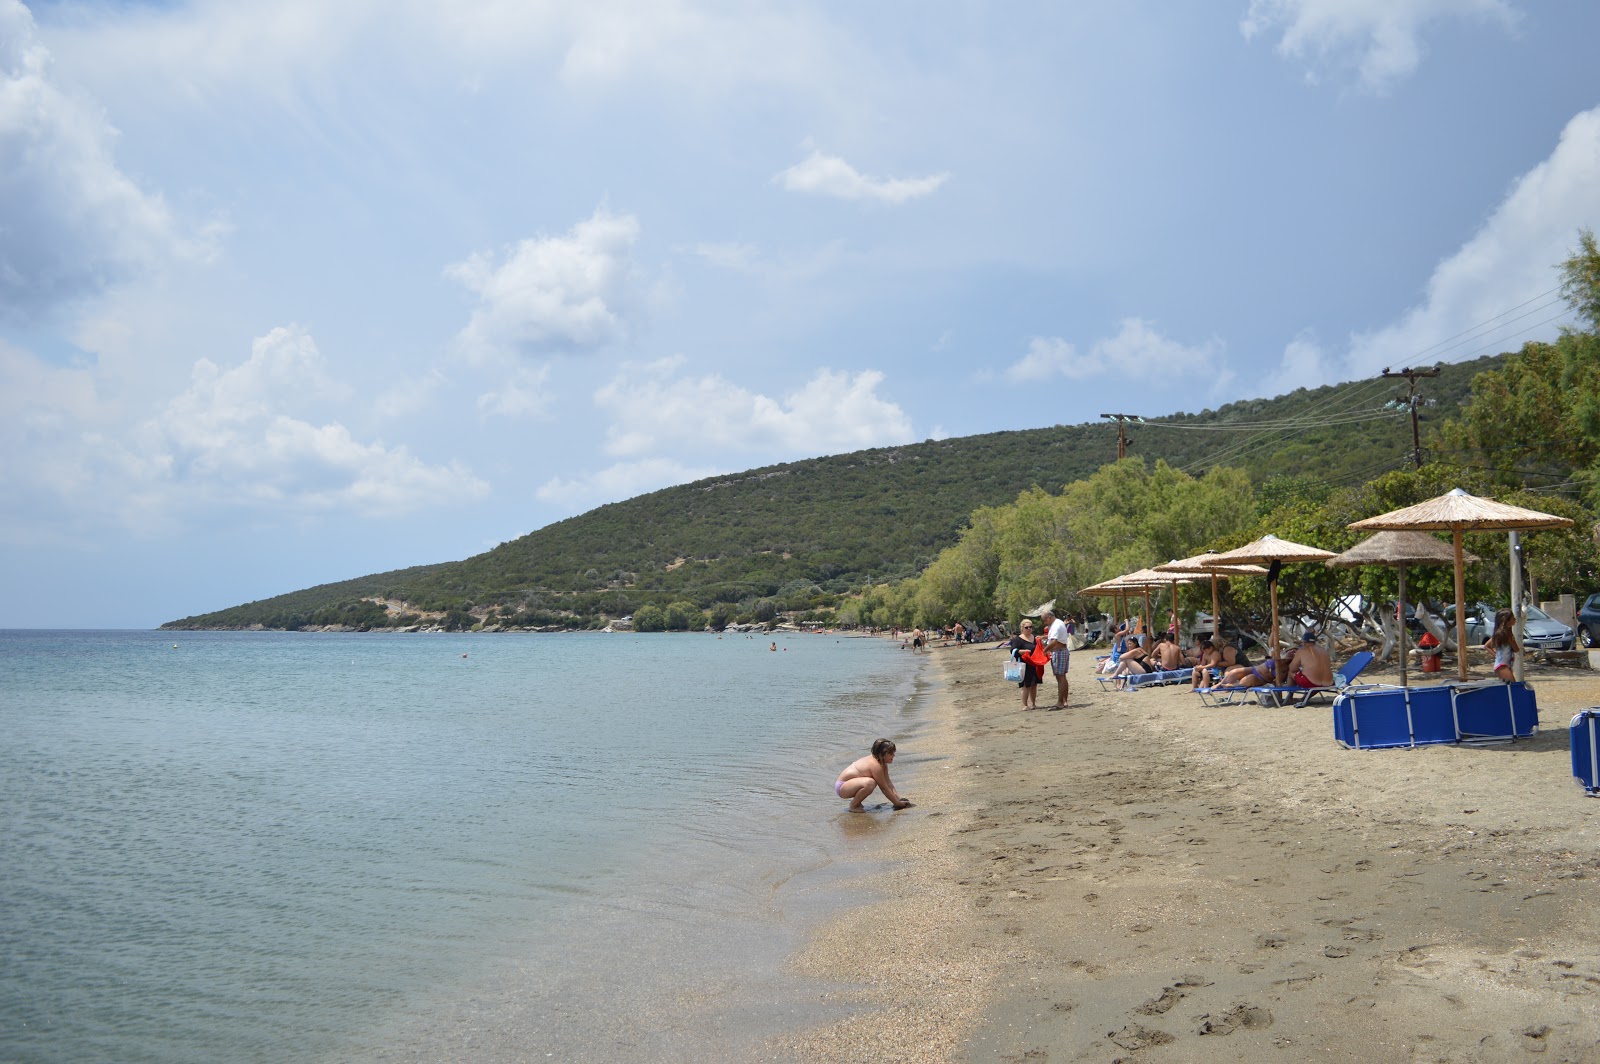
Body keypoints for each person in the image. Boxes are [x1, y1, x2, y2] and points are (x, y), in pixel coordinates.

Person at [835, 738, 912, 811]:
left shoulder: (882, 764)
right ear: (881, 754)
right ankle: (854, 805)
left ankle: (857, 803)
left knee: (871, 782)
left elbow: (888, 783)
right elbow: (884, 788)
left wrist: (898, 799)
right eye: (891, 753)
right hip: (842, 787)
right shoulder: (875, 765)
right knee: (870, 783)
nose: (894, 755)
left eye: (893, 752)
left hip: (851, 785)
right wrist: (897, 803)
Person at [1009, 620, 1044, 709]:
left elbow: (1041, 648)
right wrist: (1022, 652)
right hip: (1024, 665)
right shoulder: (1017, 639)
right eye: (1026, 627)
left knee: (1034, 684)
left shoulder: (1035, 638)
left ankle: (1034, 704)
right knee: (1026, 685)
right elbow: (1013, 651)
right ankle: (1025, 705)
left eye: (1030, 627)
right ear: (1022, 628)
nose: (1029, 629)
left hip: (1035, 664)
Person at [1041, 607, 1071, 709]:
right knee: (1062, 676)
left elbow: (1054, 641)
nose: (1044, 622)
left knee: (1060, 677)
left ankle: (1060, 702)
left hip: (1059, 652)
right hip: (1061, 651)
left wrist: (1045, 650)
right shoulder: (1058, 623)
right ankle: (1064, 701)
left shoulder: (1056, 625)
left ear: (1049, 618)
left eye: (1045, 620)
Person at [1485, 608, 1520, 682]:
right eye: (1513, 618)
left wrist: (1497, 656)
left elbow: (1486, 646)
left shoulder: (1500, 633)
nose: (1515, 619)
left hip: (1503, 665)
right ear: (1507, 620)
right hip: (1502, 666)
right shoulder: (1506, 635)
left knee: (1508, 688)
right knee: (1513, 687)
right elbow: (1516, 649)